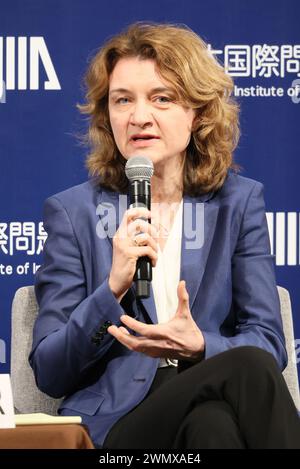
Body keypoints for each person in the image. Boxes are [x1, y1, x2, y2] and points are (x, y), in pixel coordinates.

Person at [29, 22, 300, 449]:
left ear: (198, 112)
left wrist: (199, 345)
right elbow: (50, 370)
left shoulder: (239, 203)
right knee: (245, 367)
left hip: (213, 401)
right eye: (122, 100)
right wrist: (111, 289)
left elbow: (268, 342)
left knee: (214, 429)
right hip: (119, 426)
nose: (139, 117)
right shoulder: (73, 212)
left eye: (162, 98)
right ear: (108, 116)